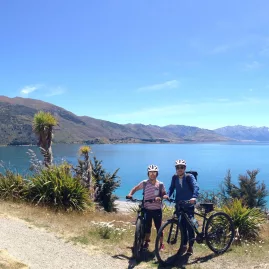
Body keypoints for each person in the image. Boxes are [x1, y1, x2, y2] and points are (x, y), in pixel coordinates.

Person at [126, 164, 168, 250]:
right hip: (147, 209)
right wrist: (130, 194)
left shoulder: (160, 184)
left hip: (157, 209)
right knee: (147, 227)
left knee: (159, 228)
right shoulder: (144, 183)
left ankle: (161, 244)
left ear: (157, 174)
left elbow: (164, 194)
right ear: (148, 173)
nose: (152, 174)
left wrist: (164, 197)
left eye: (154, 172)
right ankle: (146, 242)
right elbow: (135, 188)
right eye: (150, 172)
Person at [167, 159, 199, 255]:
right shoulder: (174, 177)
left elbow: (196, 186)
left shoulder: (189, 177)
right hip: (179, 204)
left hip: (188, 204)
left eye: (182, 167)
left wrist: (194, 197)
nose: (179, 169)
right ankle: (184, 245)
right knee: (181, 224)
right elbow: (171, 188)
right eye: (178, 167)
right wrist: (168, 195)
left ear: (185, 168)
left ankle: (191, 246)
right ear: (176, 169)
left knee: (190, 225)